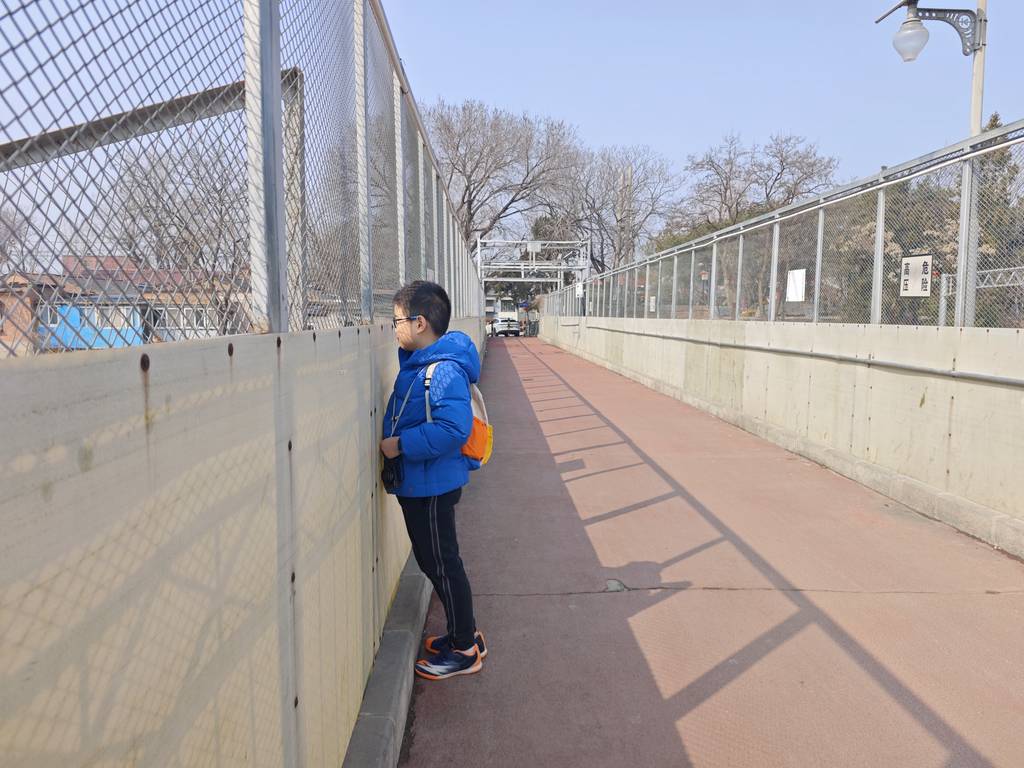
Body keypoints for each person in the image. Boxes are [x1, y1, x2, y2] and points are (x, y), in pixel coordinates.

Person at [381, 281, 487, 680]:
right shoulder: (424, 364)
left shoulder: (441, 371)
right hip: (427, 482)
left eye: (397, 321)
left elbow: (453, 429)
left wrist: (400, 445)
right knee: (439, 561)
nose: (394, 329)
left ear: (419, 322)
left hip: (431, 485)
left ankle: (463, 650)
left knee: (441, 563)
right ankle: (466, 634)